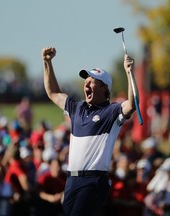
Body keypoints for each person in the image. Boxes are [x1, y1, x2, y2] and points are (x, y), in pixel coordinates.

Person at [42, 46, 138, 216]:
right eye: (86, 80)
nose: (86, 82)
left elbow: (132, 104)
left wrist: (129, 73)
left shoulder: (111, 112)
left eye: (92, 80)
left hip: (94, 181)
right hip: (71, 181)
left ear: (104, 88)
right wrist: (47, 62)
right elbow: (53, 93)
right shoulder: (76, 108)